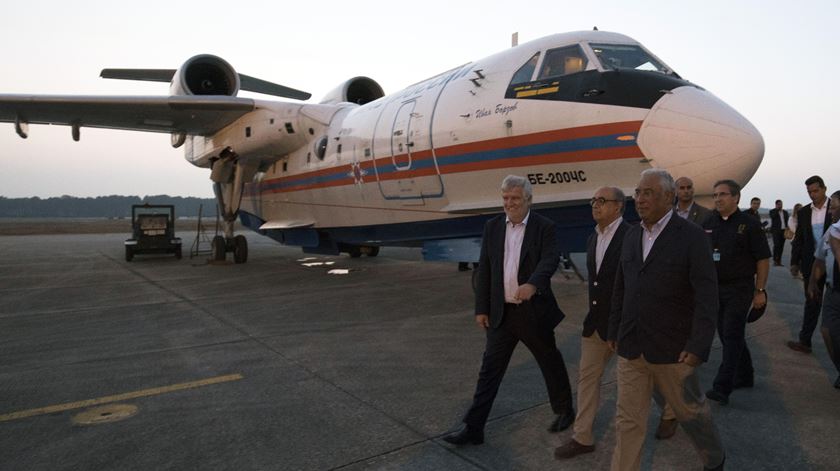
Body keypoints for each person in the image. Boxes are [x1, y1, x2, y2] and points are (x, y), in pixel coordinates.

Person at [607, 168, 724, 471]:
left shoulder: (692, 237)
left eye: (648, 193)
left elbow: (707, 295)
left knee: (692, 415)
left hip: (674, 349)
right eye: (637, 192)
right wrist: (614, 328)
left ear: (669, 197)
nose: (640, 199)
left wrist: (698, 345)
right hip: (632, 346)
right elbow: (622, 286)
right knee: (627, 422)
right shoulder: (631, 235)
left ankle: (714, 459)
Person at [443, 175, 574, 446]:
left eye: (514, 198)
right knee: (489, 371)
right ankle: (474, 428)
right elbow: (486, 268)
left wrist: (533, 284)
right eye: (505, 198)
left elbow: (550, 259)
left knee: (549, 361)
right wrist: (481, 308)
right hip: (501, 314)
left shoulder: (543, 227)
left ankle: (564, 410)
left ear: (528, 199)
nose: (509, 203)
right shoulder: (492, 227)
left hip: (531, 312)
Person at [703, 180, 771, 405]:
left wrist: (760, 290)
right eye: (715, 195)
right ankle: (745, 374)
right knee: (726, 334)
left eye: (723, 194)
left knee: (731, 333)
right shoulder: (709, 221)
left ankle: (722, 387)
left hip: (739, 289)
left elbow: (762, 259)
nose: (718, 199)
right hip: (714, 289)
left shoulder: (749, 224)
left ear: (736, 198)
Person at [788, 176, 832, 354]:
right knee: (812, 301)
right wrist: (794, 262)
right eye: (809, 192)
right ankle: (805, 341)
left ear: (824, 189)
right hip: (812, 264)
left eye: (815, 191)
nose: (812, 195)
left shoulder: (836, 208)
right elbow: (799, 239)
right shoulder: (805, 212)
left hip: (834, 264)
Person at [807, 190, 840, 389]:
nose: (831, 211)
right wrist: (812, 282)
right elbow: (820, 259)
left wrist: (837, 246)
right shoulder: (831, 232)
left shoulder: (835, 236)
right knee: (828, 332)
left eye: (834, 207)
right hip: (833, 291)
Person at [769, 200, 790, 266]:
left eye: (781, 204)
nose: (780, 205)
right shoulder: (772, 211)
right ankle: (775, 260)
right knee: (777, 245)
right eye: (778, 204)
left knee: (781, 246)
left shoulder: (785, 212)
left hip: (783, 231)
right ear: (776, 205)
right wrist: (777, 210)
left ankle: (779, 261)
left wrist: (788, 227)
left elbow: (787, 221)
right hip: (776, 231)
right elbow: (772, 217)